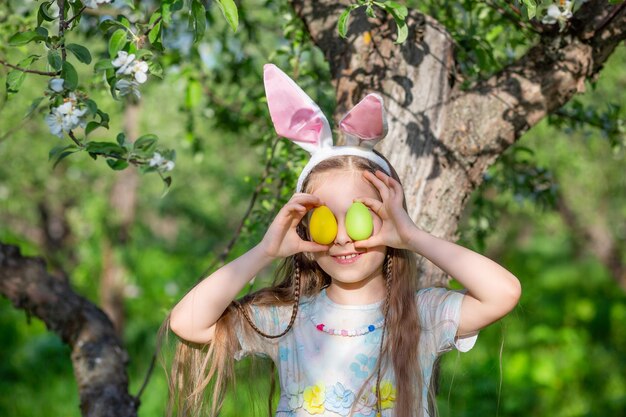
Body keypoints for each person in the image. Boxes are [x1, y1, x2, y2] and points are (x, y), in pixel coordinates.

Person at [166, 64, 522, 417]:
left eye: (358, 219)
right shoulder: (289, 319)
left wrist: (411, 235)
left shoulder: (420, 315)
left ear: (386, 219)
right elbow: (187, 322)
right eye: (322, 222)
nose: (341, 239)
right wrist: (265, 251)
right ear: (304, 230)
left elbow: (503, 292)